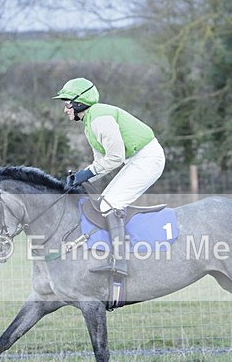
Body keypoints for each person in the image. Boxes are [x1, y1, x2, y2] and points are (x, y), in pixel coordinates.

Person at [53, 77, 166, 276]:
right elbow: (102, 162)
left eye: (67, 103)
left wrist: (86, 174)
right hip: (137, 160)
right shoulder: (90, 122)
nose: (65, 109)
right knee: (105, 203)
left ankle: (120, 262)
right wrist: (81, 179)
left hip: (147, 158)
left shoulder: (99, 118)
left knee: (109, 205)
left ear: (80, 102)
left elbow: (115, 157)